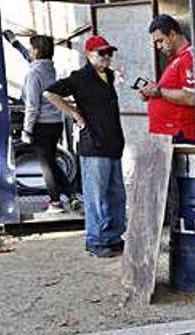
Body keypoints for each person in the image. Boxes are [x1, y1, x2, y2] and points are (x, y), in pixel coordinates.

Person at [44, 35, 126, 258]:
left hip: (113, 144)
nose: (107, 57)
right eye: (102, 53)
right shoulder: (79, 77)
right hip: (94, 145)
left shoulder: (108, 75)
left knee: (116, 194)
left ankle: (113, 237)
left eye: (109, 52)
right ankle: (96, 239)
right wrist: (73, 113)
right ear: (88, 55)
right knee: (96, 196)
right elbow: (50, 92)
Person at [21, 34, 80, 214]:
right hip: (56, 123)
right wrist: (15, 44)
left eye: (31, 48)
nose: (29, 51)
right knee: (52, 162)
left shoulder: (33, 73)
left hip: (41, 125)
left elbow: (32, 106)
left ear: (36, 51)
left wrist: (27, 129)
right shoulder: (49, 69)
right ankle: (72, 196)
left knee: (46, 166)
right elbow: (29, 58)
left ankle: (55, 202)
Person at [138, 14, 195, 144]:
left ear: (173, 34)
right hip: (168, 136)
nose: (158, 46)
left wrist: (158, 92)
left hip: (179, 135)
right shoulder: (177, 59)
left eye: (160, 41)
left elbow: (192, 97)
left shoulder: (190, 58)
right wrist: (151, 92)